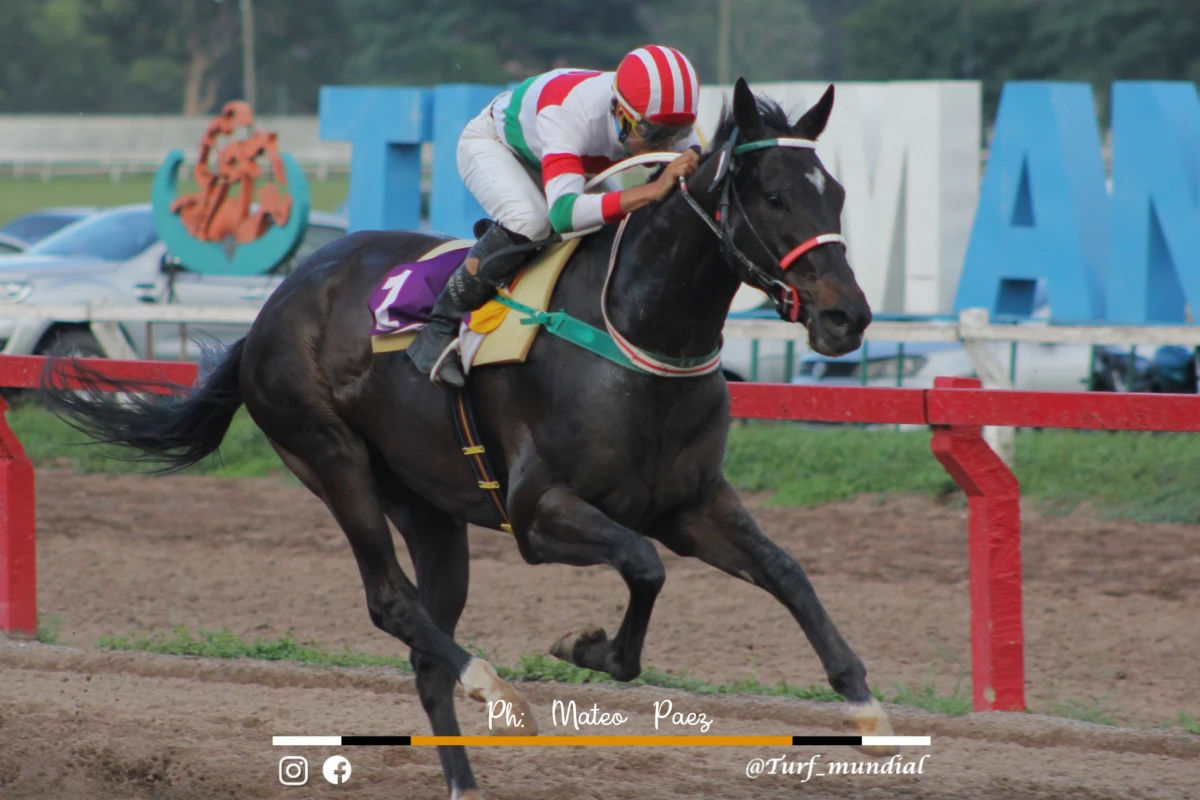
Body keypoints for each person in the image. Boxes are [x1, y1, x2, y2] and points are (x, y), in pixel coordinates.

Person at [407, 45, 704, 388]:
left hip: (566, 162)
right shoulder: (569, 111)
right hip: (496, 147)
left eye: (677, 134)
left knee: (616, 225)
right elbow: (563, 214)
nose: (667, 145)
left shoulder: (663, 118)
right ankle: (437, 328)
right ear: (620, 112)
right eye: (654, 135)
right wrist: (649, 192)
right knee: (532, 221)